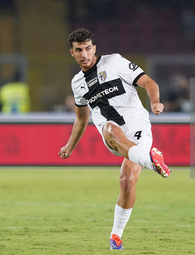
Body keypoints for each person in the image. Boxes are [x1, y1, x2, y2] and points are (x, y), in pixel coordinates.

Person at [58, 28, 171, 250]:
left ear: (95, 48)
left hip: (138, 127)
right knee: (109, 128)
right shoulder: (77, 84)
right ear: (72, 52)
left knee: (127, 182)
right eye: (79, 50)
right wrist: (69, 146)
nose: (85, 54)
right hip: (112, 133)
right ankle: (150, 160)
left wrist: (155, 102)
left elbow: (149, 83)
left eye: (88, 48)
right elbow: (82, 120)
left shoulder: (115, 62)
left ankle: (115, 236)